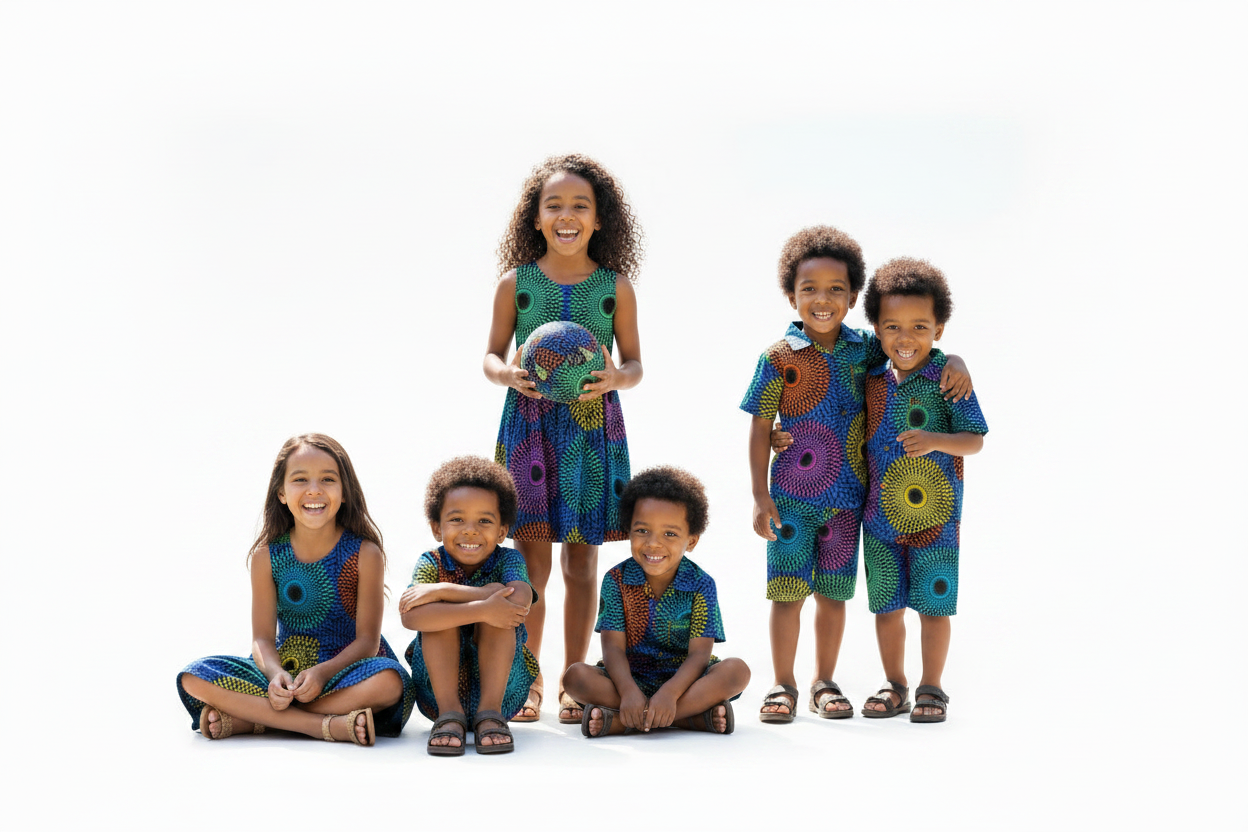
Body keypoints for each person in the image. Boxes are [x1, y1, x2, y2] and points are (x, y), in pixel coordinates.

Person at [742, 226, 972, 723]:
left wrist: (955, 358)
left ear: (851, 298)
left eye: (836, 290)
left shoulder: (866, 350)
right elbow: (761, 427)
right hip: (790, 496)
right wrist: (760, 495)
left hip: (851, 499)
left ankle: (825, 682)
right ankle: (783, 684)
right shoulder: (777, 357)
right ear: (790, 295)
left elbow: (912, 347)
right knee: (787, 592)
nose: (822, 300)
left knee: (833, 594)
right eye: (809, 290)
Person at [484, 154, 644, 724]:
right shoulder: (516, 284)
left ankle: (575, 678)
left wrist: (615, 377)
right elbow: (490, 355)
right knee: (531, 567)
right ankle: (526, 681)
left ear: (601, 220)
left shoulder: (614, 287)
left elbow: (635, 364)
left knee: (582, 564)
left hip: (590, 431)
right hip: (528, 428)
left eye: (581, 206)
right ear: (535, 217)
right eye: (554, 205)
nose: (567, 215)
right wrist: (506, 374)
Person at [177, 434, 411, 745]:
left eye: (328, 479)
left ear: (344, 493)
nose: (314, 489)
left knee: (392, 683)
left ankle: (256, 719)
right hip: (284, 674)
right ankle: (324, 726)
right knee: (193, 676)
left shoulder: (365, 554)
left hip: (347, 672)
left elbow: (367, 642)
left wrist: (323, 674)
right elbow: (261, 639)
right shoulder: (267, 556)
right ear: (282, 494)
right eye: (300, 479)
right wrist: (275, 675)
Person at [858, 257, 987, 723]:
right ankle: (895, 684)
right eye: (892, 326)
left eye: (919, 326)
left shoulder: (949, 380)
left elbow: (974, 439)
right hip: (879, 518)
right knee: (887, 608)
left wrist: (934, 440)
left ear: (939, 328)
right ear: (875, 328)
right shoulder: (872, 375)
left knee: (933, 606)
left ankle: (933, 687)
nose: (905, 338)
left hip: (937, 520)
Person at [562, 466, 750, 737]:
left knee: (737, 671)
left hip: (685, 683)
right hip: (627, 679)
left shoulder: (701, 584)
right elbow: (612, 649)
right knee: (575, 677)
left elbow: (699, 654)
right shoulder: (615, 579)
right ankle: (689, 719)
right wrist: (628, 691)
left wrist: (670, 694)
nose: (653, 544)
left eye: (670, 534)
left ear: (692, 540)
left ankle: (624, 721)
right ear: (629, 531)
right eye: (642, 531)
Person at [400, 456, 538, 755]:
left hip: (502, 694)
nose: (471, 530)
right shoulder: (431, 563)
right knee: (438, 621)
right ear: (437, 527)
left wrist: (444, 591)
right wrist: (482, 600)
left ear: (502, 531)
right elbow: (411, 617)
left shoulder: (508, 560)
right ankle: (451, 715)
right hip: (439, 696)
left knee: (501, 617)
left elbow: (519, 600)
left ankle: (490, 713)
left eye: (484, 521)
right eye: (457, 519)